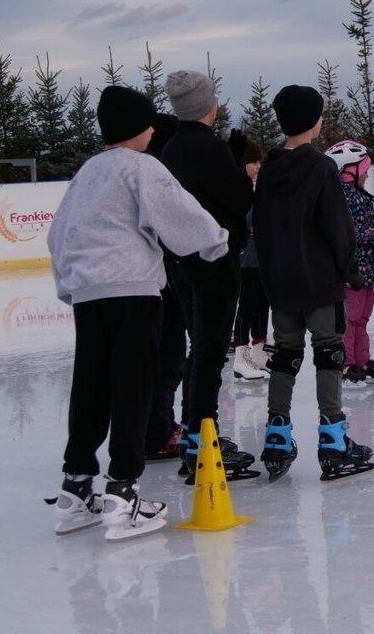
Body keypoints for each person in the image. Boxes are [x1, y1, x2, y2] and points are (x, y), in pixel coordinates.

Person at [47, 86, 229, 539]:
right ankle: (123, 493)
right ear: (139, 129)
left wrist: (69, 287)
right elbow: (179, 214)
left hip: (90, 296)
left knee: (91, 386)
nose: (153, 131)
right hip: (133, 294)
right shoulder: (142, 168)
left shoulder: (87, 174)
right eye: (150, 124)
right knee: (133, 387)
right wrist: (215, 240)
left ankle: (76, 488)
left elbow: (58, 235)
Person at [253, 85, 374, 481]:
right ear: (316, 121)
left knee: (286, 354)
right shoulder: (322, 167)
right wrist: (350, 270)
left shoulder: (269, 166)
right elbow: (338, 227)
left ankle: (277, 431)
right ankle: (333, 437)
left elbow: (263, 225)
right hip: (320, 279)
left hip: (281, 281)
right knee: (329, 352)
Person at [159, 70, 257, 482]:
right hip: (212, 261)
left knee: (199, 345)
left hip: (179, 261)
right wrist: (238, 167)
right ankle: (202, 440)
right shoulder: (208, 148)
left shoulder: (170, 149)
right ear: (208, 107)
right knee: (211, 349)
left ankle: (194, 436)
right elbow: (239, 199)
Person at [325, 139, 374, 387]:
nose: (366, 175)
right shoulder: (341, 198)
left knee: (362, 318)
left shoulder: (360, 196)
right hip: (352, 271)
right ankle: (347, 364)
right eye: (363, 170)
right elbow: (350, 231)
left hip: (367, 271)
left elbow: (370, 224)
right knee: (351, 319)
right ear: (347, 172)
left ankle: (361, 361)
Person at [142, 111, 189, 463]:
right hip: (157, 283)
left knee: (158, 357)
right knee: (165, 357)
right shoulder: (155, 176)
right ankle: (157, 433)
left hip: (149, 282)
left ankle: (155, 427)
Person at [232, 140, 271, 382]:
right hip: (244, 260)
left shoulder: (259, 187)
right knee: (246, 307)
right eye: (253, 162)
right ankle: (240, 355)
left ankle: (259, 350)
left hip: (261, 258)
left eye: (259, 162)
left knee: (262, 304)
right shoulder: (236, 188)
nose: (258, 166)